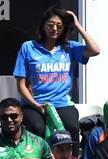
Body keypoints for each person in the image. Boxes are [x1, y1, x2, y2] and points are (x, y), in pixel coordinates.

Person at [13, 7, 100, 141]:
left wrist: (77, 25)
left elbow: (95, 51)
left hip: (62, 103)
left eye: (59, 26)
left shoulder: (69, 47)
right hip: (34, 104)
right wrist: (35, 104)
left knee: (72, 128)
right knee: (37, 128)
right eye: (50, 24)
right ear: (43, 26)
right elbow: (21, 85)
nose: (54, 28)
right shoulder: (28, 47)